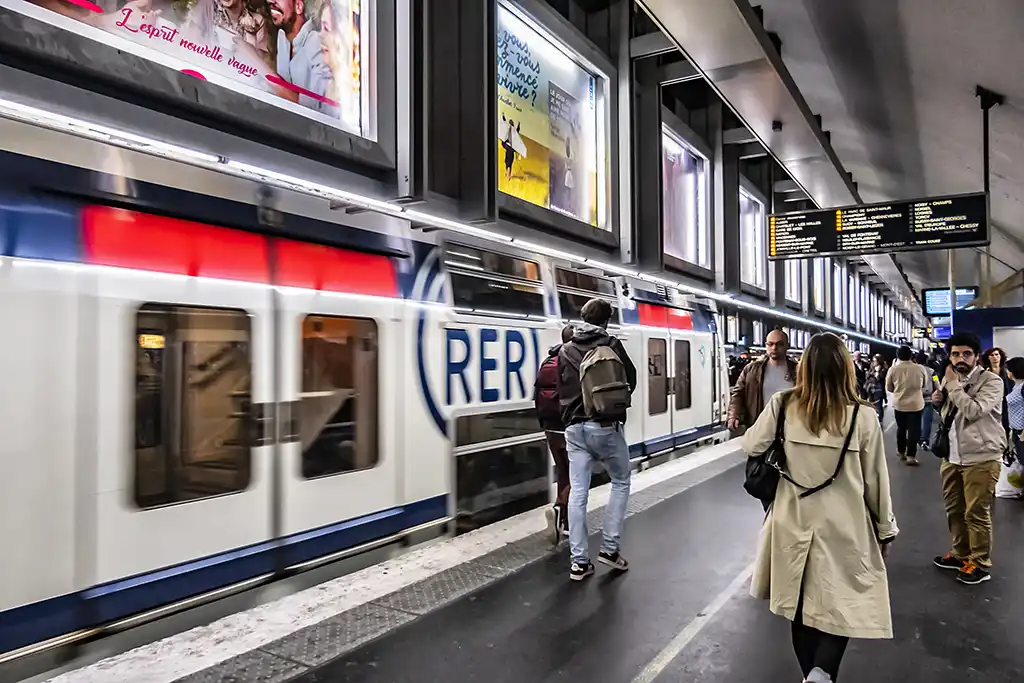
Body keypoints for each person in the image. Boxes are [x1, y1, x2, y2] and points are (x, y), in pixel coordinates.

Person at [744, 333, 897, 683]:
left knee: (799, 603)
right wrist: (886, 529)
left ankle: (812, 674)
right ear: (846, 368)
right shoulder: (863, 417)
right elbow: (876, 481)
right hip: (845, 524)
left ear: (805, 367)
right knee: (840, 600)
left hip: (790, 520)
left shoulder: (782, 405)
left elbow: (751, 445)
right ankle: (823, 672)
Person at [557, 298, 637, 580]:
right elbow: (632, 380)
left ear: (582, 316)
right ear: (606, 320)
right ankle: (609, 549)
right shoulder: (611, 344)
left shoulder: (565, 349)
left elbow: (560, 388)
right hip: (604, 425)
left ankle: (579, 562)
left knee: (578, 492)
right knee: (621, 480)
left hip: (574, 430)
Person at [931, 332, 1006, 585]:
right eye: (955, 354)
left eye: (966, 354)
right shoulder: (951, 380)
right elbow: (951, 415)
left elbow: (974, 411)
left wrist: (951, 386)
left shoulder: (992, 381)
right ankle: (961, 554)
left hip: (982, 457)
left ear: (976, 356)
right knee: (954, 510)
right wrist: (938, 401)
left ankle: (981, 562)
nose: (960, 359)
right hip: (952, 457)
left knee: (976, 512)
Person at [533, 325, 575, 543]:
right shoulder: (572, 360)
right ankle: (560, 508)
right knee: (577, 474)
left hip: (550, 427)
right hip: (568, 426)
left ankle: (566, 525)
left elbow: (536, 394)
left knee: (563, 473)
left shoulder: (547, 361)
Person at [727, 329, 798, 432]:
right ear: (766, 345)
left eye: (779, 344)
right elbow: (738, 393)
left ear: (787, 346)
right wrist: (733, 415)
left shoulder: (798, 370)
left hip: (790, 427)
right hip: (759, 426)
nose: (774, 348)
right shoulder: (751, 370)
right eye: (770, 344)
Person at [267, 0, 332, 109]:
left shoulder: (318, 44)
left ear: (298, 6)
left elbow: (314, 108)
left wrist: (261, 69)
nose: (269, 1)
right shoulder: (282, 36)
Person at [886, 346, 925, 466]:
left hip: (900, 404)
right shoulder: (920, 368)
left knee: (901, 428)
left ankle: (901, 451)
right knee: (914, 430)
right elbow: (923, 384)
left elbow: (889, 387)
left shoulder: (893, 369)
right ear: (911, 356)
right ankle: (911, 456)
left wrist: (899, 390)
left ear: (898, 356)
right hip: (916, 404)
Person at [917, 351, 938, 450]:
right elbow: (937, 383)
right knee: (927, 421)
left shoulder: (913, 371)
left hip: (915, 400)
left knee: (915, 421)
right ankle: (925, 440)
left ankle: (917, 438)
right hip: (928, 399)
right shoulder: (932, 371)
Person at [864, 355, 888, 422]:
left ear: (878, 361)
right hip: (870, 388)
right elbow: (867, 376)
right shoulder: (872, 367)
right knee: (871, 404)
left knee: (878, 405)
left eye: (875, 360)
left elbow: (879, 378)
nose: (873, 362)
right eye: (873, 360)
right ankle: (873, 417)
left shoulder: (883, 369)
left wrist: (877, 372)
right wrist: (872, 373)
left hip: (878, 389)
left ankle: (880, 419)